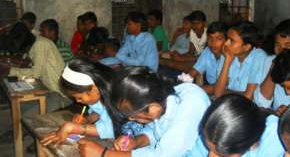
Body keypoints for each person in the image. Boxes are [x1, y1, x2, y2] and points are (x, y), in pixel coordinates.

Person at [78, 66, 211, 157]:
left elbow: (164, 154)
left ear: (152, 107)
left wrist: (104, 153)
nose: (130, 119)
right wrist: (136, 141)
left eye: (132, 115)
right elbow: (156, 132)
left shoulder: (192, 102)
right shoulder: (159, 99)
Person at [41, 59, 117, 146]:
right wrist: (87, 119)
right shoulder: (97, 95)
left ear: (95, 88)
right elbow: (99, 112)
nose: (77, 101)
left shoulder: (116, 101)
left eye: (80, 97)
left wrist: (76, 128)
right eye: (75, 98)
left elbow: (110, 130)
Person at [193, 94, 284, 157]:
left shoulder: (277, 141)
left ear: (253, 145)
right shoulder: (211, 133)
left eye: (222, 155)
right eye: (208, 148)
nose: (210, 156)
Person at [214, 21, 268, 99]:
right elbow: (218, 93)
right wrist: (227, 62)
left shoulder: (259, 57)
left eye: (231, 40)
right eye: (227, 38)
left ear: (247, 47)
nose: (226, 43)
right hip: (229, 103)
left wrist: (226, 92)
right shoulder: (227, 53)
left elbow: (248, 97)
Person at [254, 19, 290, 113]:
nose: (281, 50)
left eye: (288, 45)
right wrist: (274, 67)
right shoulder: (270, 61)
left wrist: (289, 111)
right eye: (277, 45)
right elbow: (261, 103)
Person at [189, 21, 227, 94]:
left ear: (227, 41)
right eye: (210, 38)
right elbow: (194, 71)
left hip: (225, 92)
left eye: (218, 39)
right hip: (209, 87)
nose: (213, 42)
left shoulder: (230, 58)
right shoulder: (207, 51)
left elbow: (219, 88)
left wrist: (194, 91)